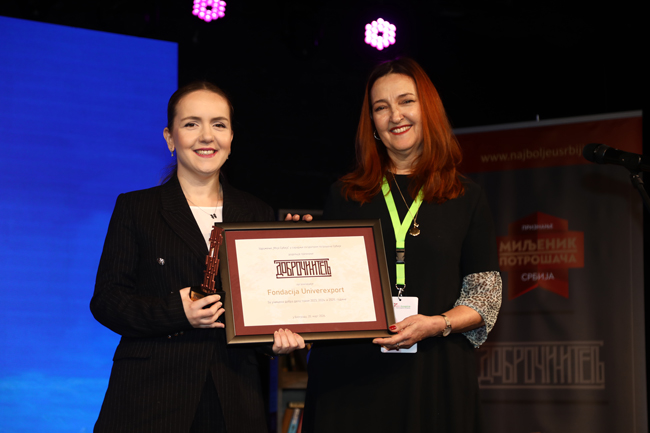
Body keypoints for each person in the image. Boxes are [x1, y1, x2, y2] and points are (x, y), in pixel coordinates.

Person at [90, 81, 306, 433]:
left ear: (231, 137)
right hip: (149, 398)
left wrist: (278, 338)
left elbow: (260, 309)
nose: (207, 136)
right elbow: (107, 301)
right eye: (191, 124)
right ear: (170, 138)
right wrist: (177, 312)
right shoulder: (136, 208)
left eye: (219, 124)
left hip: (234, 397)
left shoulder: (257, 212)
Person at [302, 58, 502, 433]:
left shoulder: (466, 196)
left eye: (406, 101)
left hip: (434, 376)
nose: (395, 115)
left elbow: (485, 298)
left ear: (428, 109)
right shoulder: (344, 195)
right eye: (381, 107)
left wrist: (437, 324)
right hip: (349, 380)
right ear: (372, 124)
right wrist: (301, 251)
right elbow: (326, 293)